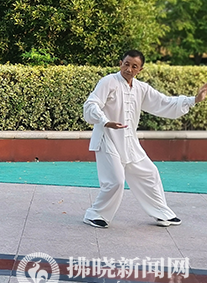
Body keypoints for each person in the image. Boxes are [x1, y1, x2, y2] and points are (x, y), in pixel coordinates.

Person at [83, 49, 207, 228]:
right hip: (107, 139)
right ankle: (95, 214)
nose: (129, 69)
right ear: (120, 63)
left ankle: (162, 213)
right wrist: (105, 121)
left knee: (150, 173)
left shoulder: (141, 88)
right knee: (116, 181)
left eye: (134, 66)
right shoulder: (108, 81)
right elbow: (91, 104)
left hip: (129, 142)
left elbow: (164, 102)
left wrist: (194, 100)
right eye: (126, 64)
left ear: (140, 70)